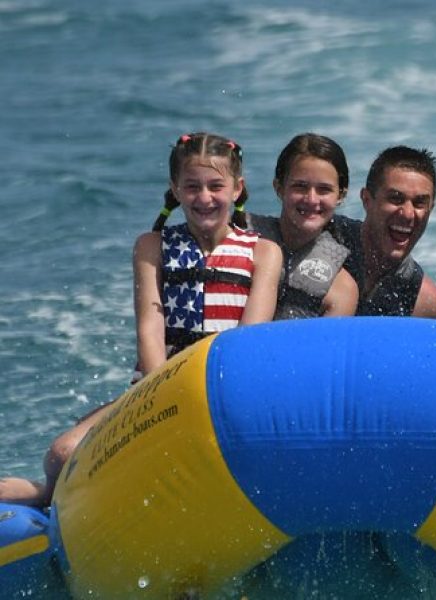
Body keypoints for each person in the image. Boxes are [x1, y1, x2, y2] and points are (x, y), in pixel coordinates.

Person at [0, 132, 283, 507]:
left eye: (216, 185)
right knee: (61, 454)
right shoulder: (153, 247)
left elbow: (250, 338)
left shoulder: (264, 252)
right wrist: (166, 398)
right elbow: (150, 330)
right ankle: (49, 500)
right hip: (158, 390)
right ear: (175, 189)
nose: (204, 197)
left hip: (224, 393)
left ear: (237, 188)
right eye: (192, 186)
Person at [246, 133, 358, 319]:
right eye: (300, 186)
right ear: (279, 187)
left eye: (324, 190)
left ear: (340, 196)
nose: (311, 199)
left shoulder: (342, 290)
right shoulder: (240, 239)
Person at [331, 145, 436, 318]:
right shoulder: (327, 239)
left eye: (419, 203)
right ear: (367, 200)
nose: (408, 214)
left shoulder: (424, 303)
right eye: (396, 198)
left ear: (431, 209)